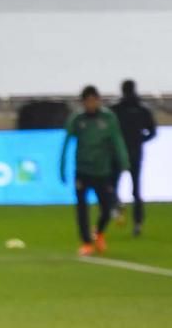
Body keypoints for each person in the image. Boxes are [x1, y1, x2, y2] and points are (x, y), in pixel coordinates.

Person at [59, 85, 129, 256]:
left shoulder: (108, 118)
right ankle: (86, 242)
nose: (90, 104)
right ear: (83, 102)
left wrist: (124, 160)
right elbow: (66, 141)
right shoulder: (77, 119)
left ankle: (98, 232)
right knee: (81, 207)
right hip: (82, 170)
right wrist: (61, 166)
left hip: (102, 170)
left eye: (93, 100)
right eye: (87, 101)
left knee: (106, 209)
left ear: (98, 100)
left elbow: (117, 140)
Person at [110, 79, 157, 236]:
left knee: (112, 186)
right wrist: (139, 140)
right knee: (136, 190)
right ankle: (137, 223)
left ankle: (117, 208)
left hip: (119, 153)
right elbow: (152, 132)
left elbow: (110, 131)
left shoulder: (116, 109)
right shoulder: (142, 109)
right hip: (135, 153)